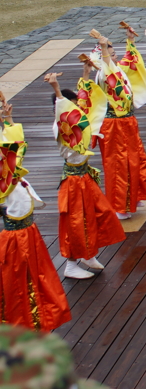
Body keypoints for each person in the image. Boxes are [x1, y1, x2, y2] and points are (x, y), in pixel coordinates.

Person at [43, 70, 126, 280]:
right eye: (72, 105)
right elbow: (65, 111)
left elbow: (85, 101)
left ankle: (88, 254)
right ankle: (71, 265)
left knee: (98, 214)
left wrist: (86, 75)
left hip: (84, 176)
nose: (77, 108)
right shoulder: (61, 126)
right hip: (73, 181)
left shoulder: (72, 120)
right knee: (76, 222)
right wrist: (56, 89)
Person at [0, 102, 72, 332]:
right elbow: (15, 152)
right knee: (22, 284)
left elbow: (16, 149)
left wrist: (8, 120)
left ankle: (38, 321)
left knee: (36, 277)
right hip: (16, 238)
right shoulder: (4, 183)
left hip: (27, 231)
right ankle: (28, 327)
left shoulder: (9, 175)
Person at [90, 30, 146, 219]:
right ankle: (119, 205)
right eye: (109, 53)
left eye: (112, 52)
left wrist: (130, 40)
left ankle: (133, 196)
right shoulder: (103, 73)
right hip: (114, 125)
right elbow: (108, 64)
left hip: (126, 121)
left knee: (135, 159)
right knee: (118, 164)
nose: (113, 55)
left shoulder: (115, 69)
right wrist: (103, 47)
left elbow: (129, 59)